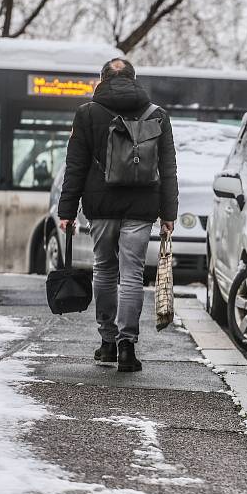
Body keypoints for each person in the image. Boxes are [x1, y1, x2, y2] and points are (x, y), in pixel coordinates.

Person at [58, 58, 178, 372]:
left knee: (105, 270)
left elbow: (76, 166)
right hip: (142, 207)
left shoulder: (87, 114)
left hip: (100, 206)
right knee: (133, 275)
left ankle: (107, 341)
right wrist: (168, 213)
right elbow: (167, 169)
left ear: (103, 79)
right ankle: (127, 346)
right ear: (133, 79)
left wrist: (66, 211)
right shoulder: (158, 115)